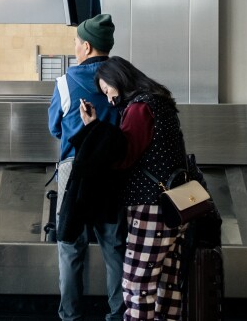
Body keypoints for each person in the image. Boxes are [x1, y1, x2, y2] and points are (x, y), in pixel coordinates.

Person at [80, 56, 190, 321]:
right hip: (178, 204)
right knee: (168, 287)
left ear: (118, 78)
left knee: (136, 286)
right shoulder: (161, 102)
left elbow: (124, 155)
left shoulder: (140, 108)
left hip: (151, 207)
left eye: (107, 90)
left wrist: (93, 128)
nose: (108, 99)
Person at [48, 13, 125, 321]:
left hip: (74, 171)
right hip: (113, 170)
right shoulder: (122, 81)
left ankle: (70, 315)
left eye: (77, 42)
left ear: (87, 46)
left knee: (70, 246)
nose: (75, 47)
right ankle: (119, 312)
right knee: (114, 246)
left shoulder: (66, 83)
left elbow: (55, 127)